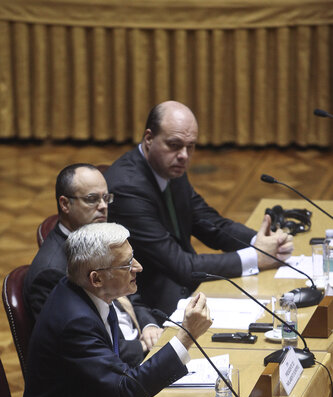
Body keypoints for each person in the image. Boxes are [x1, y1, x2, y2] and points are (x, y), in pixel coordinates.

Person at [6, 223, 212, 397]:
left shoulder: (88, 294)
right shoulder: (74, 321)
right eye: (127, 265)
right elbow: (127, 389)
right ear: (96, 278)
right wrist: (186, 337)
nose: (137, 267)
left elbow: (119, 377)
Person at [104, 101, 294, 315]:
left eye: (190, 146)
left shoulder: (170, 167)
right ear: (149, 139)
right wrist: (256, 257)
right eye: (174, 145)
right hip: (155, 303)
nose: (184, 155)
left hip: (189, 287)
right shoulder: (128, 188)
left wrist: (260, 242)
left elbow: (209, 222)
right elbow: (180, 265)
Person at [23, 163, 162, 354]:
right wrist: (143, 348)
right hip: (118, 364)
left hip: (137, 341)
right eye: (92, 199)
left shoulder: (99, 237)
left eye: (106, 198)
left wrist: (148, 326)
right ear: (65, 204)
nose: (103, 206)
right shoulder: (51, 272)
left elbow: (129, 293)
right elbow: (82, 346)